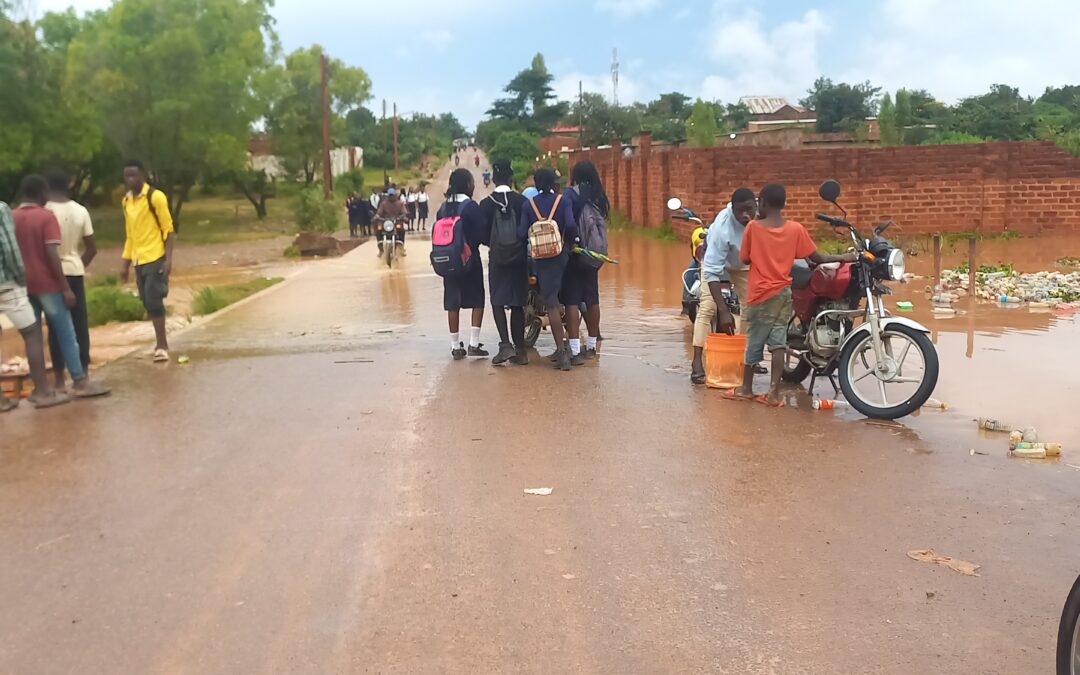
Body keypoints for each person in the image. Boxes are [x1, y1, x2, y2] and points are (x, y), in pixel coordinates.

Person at [729, 183, 857, 406]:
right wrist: (843, 258)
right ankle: (774, 393)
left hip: (760, 294)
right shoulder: (795, 229)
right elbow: (816, 258)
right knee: (779, 342)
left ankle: (746, 389)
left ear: (763, 204)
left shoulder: (753, 228)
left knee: (755, 340)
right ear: (784, 204)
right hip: (783, 292)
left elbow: (745, 259)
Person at [13, 175, 109, 398]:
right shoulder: (46, 217)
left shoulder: (12, 216)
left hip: (25, 284)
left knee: (34, 335)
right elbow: (51, 253)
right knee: (66, 331)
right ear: (41, 193)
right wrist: (64, 287)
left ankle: (42, 388)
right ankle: (79, 380)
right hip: (49, 282)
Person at [0, 200, 69, 410]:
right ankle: (42, 392)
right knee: (32, 333)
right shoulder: (2, 209)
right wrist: (21, 278)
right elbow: (9, 248)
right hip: (5, 284)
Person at [690, 187, 757, 384]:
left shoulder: (761, 215)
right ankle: (696, 361)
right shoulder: (722, 228)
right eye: (740, 211)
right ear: (732, 209)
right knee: (708, 308)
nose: (745, 215)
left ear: (756, 206)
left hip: (743, 264)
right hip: (716, 264)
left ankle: (745, 359)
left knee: (750, 308)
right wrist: (724, 309)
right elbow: (711, 272)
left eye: (749, 209)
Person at [518, 168, 577, 371]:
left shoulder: (529, 205)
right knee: (570, 301)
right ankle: (569, 350)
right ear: (554, 184)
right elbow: (570, 225)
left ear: (536, 184)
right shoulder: (563, 201)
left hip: (541, 260)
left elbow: (521, 233)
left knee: (551, 303)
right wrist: (568, 244)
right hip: (562, 257)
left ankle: (561, 352)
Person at [45, 170, 97, 389]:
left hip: (52, 273)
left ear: (47, 188)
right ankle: (83, 374)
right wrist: (78, 265)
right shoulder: (80, 210)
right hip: (75, 270)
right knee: (79, 324)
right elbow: (92, 249)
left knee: (56, 326)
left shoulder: (45, 211)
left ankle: (59, 378)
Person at [120, 160, 175, 363]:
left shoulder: (155, 197)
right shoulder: (126, 202)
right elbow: (130, 235)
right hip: (138, 258)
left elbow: (169, 230)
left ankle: (162, 346)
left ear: (142, 175)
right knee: (145, 300)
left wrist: (168, 260)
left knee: (154, 299)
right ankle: (159, 342)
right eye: (127, 176)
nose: (130, 180)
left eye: (134, 175)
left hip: (155, 256)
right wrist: (124, 264)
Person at [479, 160, 528, 365]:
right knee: (518, 303)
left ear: (494, 179)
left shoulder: (486, 203)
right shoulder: (521, 201)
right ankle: (521, 351)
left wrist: (494, 244)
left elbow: (482, 235)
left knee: (498, 301)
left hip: (497, 259)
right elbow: (527, 230)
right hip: (519, 259)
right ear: (511, 177)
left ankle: (505, 345)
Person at [437, 168, 487, 360]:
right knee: (477, 299)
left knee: (452, 302)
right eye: (472, 182)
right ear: (467, 185)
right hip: (469, 260)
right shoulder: (471, 207)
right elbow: (481, 235)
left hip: (448, 261)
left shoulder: (443, 208)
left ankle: (455, 346)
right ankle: (474, 343)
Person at [562, 160, 609, 362]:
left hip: (575, 253)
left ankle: (573, 348)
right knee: (592, 298)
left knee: (571, 300)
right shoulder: (599, 197)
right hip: (593, 255)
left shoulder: (570, 195)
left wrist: (570, 243)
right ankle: (591, 346)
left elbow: (568, 223)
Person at [374, 187, 408, 256]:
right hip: (386, 223)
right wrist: (377, 216)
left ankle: (402, 248)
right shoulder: (384, 204)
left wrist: (403, 216)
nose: (391, 197)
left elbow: (404, 212)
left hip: (396, 222)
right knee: (378, 230)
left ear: (395, 195)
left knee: (401, 230)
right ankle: (381, 249)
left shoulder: (400, 203)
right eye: (390, 195)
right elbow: (379, 212)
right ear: (388, 195)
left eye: (392, 195)